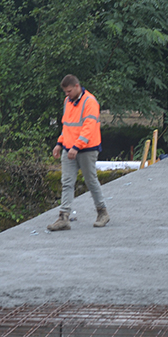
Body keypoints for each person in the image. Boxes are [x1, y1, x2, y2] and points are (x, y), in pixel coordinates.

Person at [47, 75, 110, 231]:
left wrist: (77, 146)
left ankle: (102, 212)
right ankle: (63, 217)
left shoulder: (90, 102)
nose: (66, 94)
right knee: (67, 182)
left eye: (69, 91)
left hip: (87, 149)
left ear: (76, 86)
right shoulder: (67, 102)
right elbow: (67, 126)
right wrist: (59, 143)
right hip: (69, 148)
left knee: (91, 180)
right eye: (65, 92)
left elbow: (88, 128)